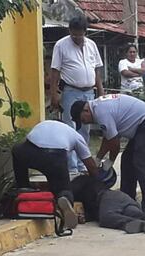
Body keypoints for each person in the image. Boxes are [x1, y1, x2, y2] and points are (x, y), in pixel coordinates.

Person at [71, 94, 145, 216]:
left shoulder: (101, 112)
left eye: (83, 120)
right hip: (142, 125)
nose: (85, 123)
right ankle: (128, 202)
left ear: (85, 110)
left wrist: (109, 162)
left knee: (141, 162)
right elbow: (108, 138)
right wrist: (98, 159)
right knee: (127, 160)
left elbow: (115, 144)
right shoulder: (97, 107)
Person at [11, 120, 100, 230]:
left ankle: (23, 187)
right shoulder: (75, 135)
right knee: (63, 187)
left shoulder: (44, 123)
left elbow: (27, 141)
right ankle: (65, 198)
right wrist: (95, 178)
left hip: (30, 151)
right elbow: (90, 165)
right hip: (55, 156)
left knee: (16, 151)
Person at [50, 15, 104, 172]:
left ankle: (83, 164)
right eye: (74, 35)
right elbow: (55, 71)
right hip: (70, 91)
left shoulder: (92, 45)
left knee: (85, 129)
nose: (77, 38)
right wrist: (54, 94)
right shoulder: (61, 45)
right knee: (70, 128)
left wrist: (100, 90)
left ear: (85, 32)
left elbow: (97, 69)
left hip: (89, 92)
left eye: (80, 35)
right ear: (70, 31)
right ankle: (72, 167)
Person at [71, 175, 145, 234]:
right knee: (131, 211)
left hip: (106, 197)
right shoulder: (90, 181)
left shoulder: (77, 183)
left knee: (107, 218)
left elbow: (97, 211)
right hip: (122, 197)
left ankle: (140, 224)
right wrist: (85, 217)